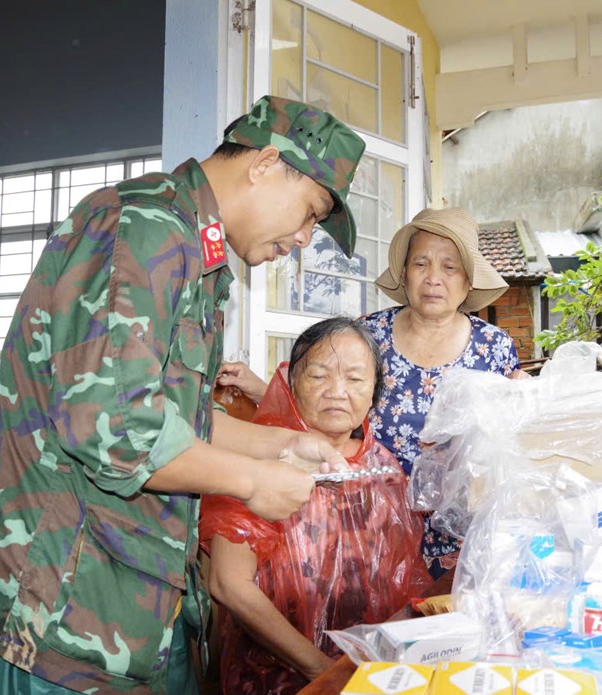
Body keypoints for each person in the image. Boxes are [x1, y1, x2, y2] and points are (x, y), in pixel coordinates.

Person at [0, 96, 367, 695]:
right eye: (309, 213)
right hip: (56, 607)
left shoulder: (200, 257)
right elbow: (117, 430)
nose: (303, 238)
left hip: (130, 596)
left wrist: (281, 445)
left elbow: (180, 417)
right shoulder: (142, 229)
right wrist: (252, 482)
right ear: (267, 163)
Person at [217, 207, 521, 578]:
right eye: (421, 264)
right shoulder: (369, 333)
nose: (433, 278)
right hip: (368, 526)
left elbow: (508, 444)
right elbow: (322, 407)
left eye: (450, 267)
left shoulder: (494, 348)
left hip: (463, 535)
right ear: (404, 273)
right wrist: (260, 390)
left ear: (468, 281)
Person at [200, 318, 428, 694]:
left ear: (374, 393)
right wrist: (319, 670)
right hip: (273, 677)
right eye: (319, 376)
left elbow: (404, 581)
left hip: (372, 676)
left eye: (355, 379)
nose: (337, 391)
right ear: (291, 384)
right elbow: (229, 584)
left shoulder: (383, 468)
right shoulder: (255, 461)